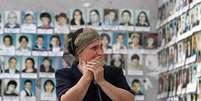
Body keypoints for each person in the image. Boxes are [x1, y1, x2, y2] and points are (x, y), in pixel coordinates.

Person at [56, 28, 134, 101]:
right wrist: (87, 77)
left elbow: (130, 99)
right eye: (94, 48)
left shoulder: (115, 72)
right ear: (79, 52)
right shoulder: (65, 74)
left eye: (101, 47)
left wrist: (102, 81)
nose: (100, 52)